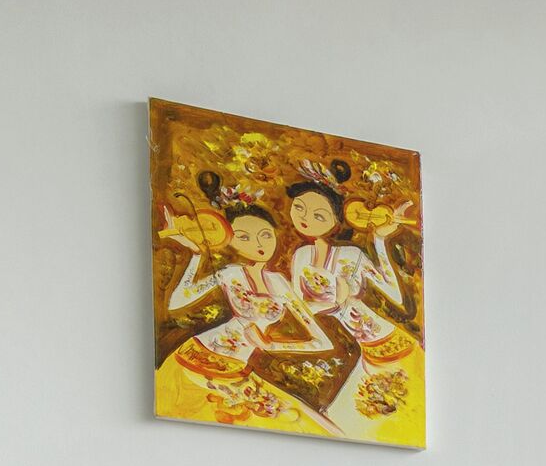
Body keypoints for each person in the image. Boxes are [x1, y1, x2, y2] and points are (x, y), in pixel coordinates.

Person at [155, 188, 336, 434]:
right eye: (244, 237)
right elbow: (177, 302)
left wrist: (270, 345)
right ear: (230, 241)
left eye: (265, 235)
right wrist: (196, 255)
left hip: (237, 372)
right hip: (194, 358)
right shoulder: (229, 273)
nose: (258, 245)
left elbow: (321, 341)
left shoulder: (280, 283)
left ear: (276, 235)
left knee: (308, 426)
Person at [279, 171, 422, 444]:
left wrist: (380, 241)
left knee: (390, 417)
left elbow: (395, 294)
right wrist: (336, 300)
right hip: (355, 346)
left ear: (335, 221)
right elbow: (301, 307)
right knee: (349, 421)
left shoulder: (351, 255)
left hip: (386, 341)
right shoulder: (301, 256)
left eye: (319, 215)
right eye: (299, 209)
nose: (306, 219)